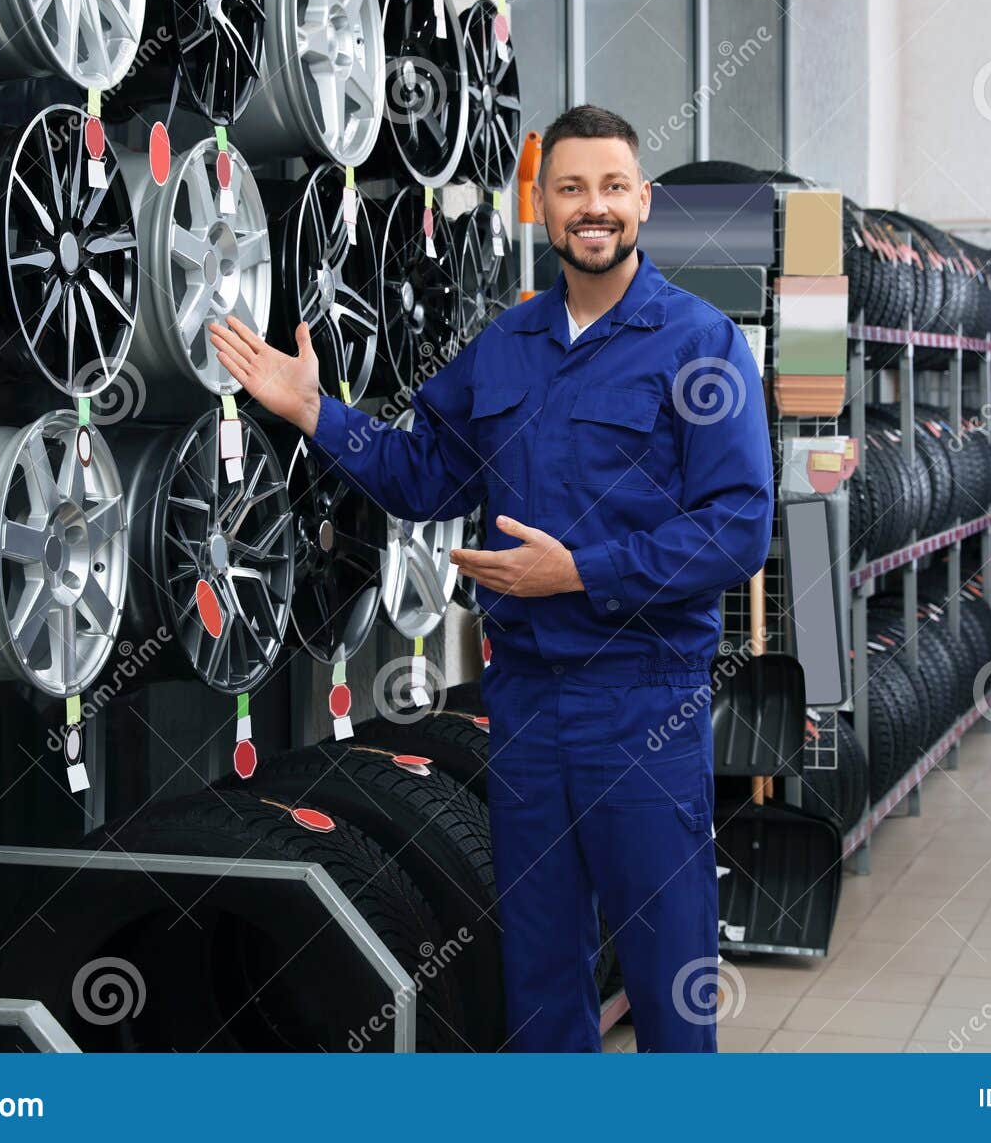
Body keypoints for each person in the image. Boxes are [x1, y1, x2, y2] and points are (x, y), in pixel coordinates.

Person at [208, 104, 773, 1052]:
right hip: (523, 708)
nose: (592, 208)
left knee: (669, 983)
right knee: (540, 982)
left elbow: (739, 528)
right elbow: (420, 473)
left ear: (641, 200)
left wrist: (578, 572)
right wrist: (316, 412)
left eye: (610, 188)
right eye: (570, 188)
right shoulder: (505, 347)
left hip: (643, 707)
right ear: (541, 206)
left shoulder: (698, 344)